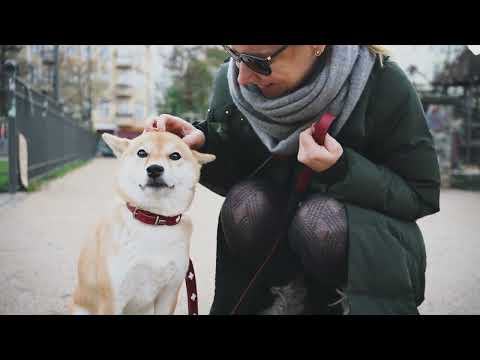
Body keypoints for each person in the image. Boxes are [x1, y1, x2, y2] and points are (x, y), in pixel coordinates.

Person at [145, 45, 441, 315]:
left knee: (320, 222)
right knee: (245, 203)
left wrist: (343, 169)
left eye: (259, 62)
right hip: (273, 256)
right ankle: (279, 297)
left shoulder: (383, 82)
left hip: (360, 252)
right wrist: (202, 143)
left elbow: (420, 193)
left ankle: (336, 305)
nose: (242, 78)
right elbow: (242, 171)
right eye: (233, 54)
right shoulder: (231, 79)